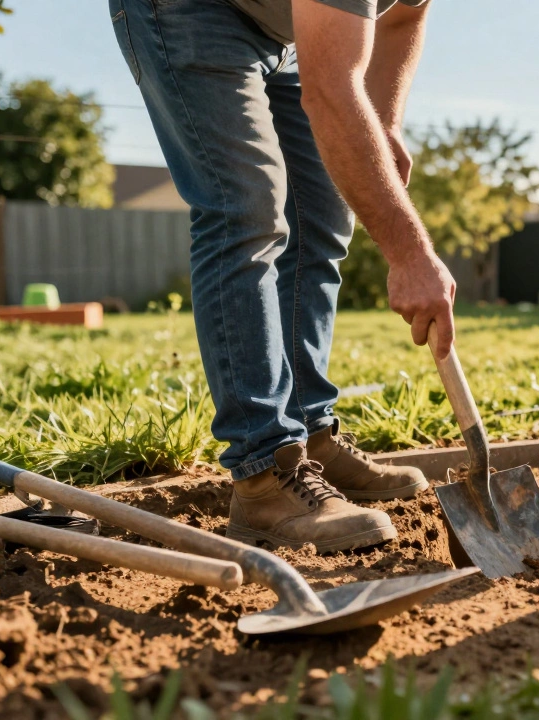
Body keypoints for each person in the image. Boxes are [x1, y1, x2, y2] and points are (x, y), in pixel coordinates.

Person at [111, 0, 456, 552]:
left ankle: (310, 435)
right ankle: (264, 473)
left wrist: (384, 122)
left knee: (320, 216)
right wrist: (411, 255)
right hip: (188, 11)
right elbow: (331, 90)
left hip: (291, 30)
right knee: (244, 209)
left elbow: (404, 15)